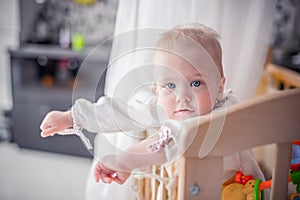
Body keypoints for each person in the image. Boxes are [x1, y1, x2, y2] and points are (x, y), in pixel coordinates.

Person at [40, 23, 266, 196]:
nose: (182, 97)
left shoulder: (223, 113)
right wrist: (72, 117)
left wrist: (125, 160)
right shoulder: (165, 107)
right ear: (157, 90)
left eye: (196, 83)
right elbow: (123, 112)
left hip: (240, 190)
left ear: (219, 87)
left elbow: (171, 141)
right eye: (170, 85)